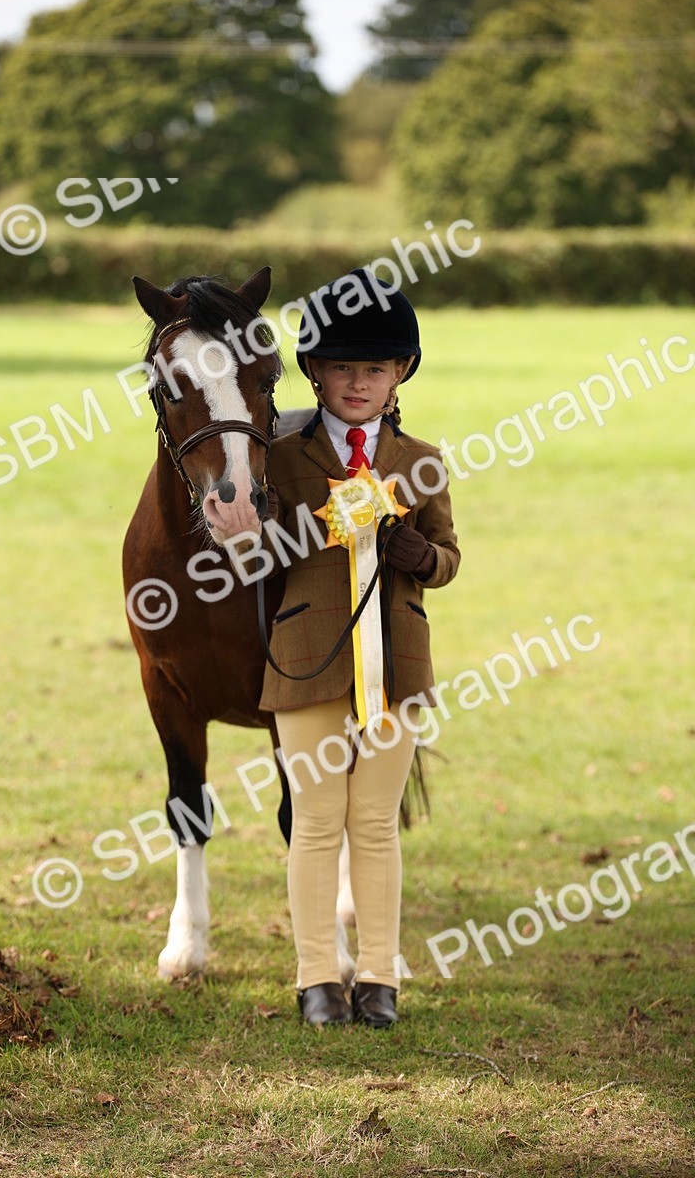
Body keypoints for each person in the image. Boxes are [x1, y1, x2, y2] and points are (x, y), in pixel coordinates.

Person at [259, 268, 460, 1027]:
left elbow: (448, 559)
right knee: (315, 821)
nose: (356, 382)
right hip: (306, 657)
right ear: (313, 369)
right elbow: (256, 562)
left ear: (400, 372)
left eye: (373, 368)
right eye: (342, 366)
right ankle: (316, 980)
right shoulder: (279, 455)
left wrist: (419, 558)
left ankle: (378, 980)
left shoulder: (423, 459)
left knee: (374, 823)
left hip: (397, 663)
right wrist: (303, 529)